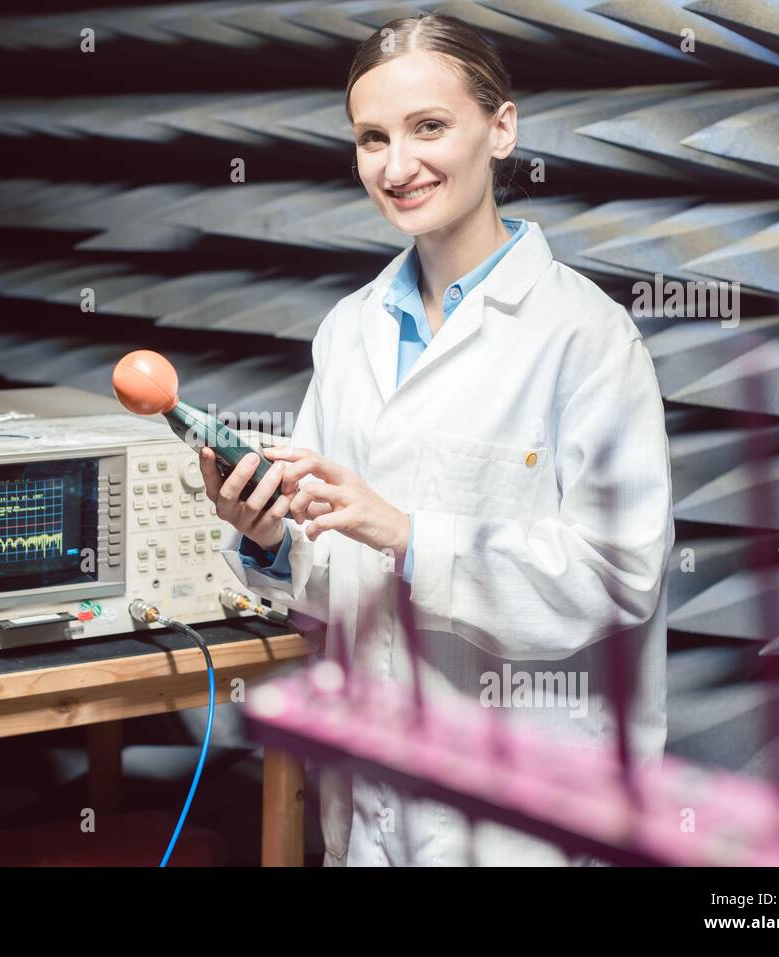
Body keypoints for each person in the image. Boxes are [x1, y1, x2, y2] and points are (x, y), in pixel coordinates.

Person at [201, 13, 675, 866]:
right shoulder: (349, 332)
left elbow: (619, 574)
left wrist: (408, 534)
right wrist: (270, 535)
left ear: (502, 129)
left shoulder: (586, 339)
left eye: (429, 127)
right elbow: (331, 580)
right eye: (371, 137)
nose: (397, 166)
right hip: (370, 806)